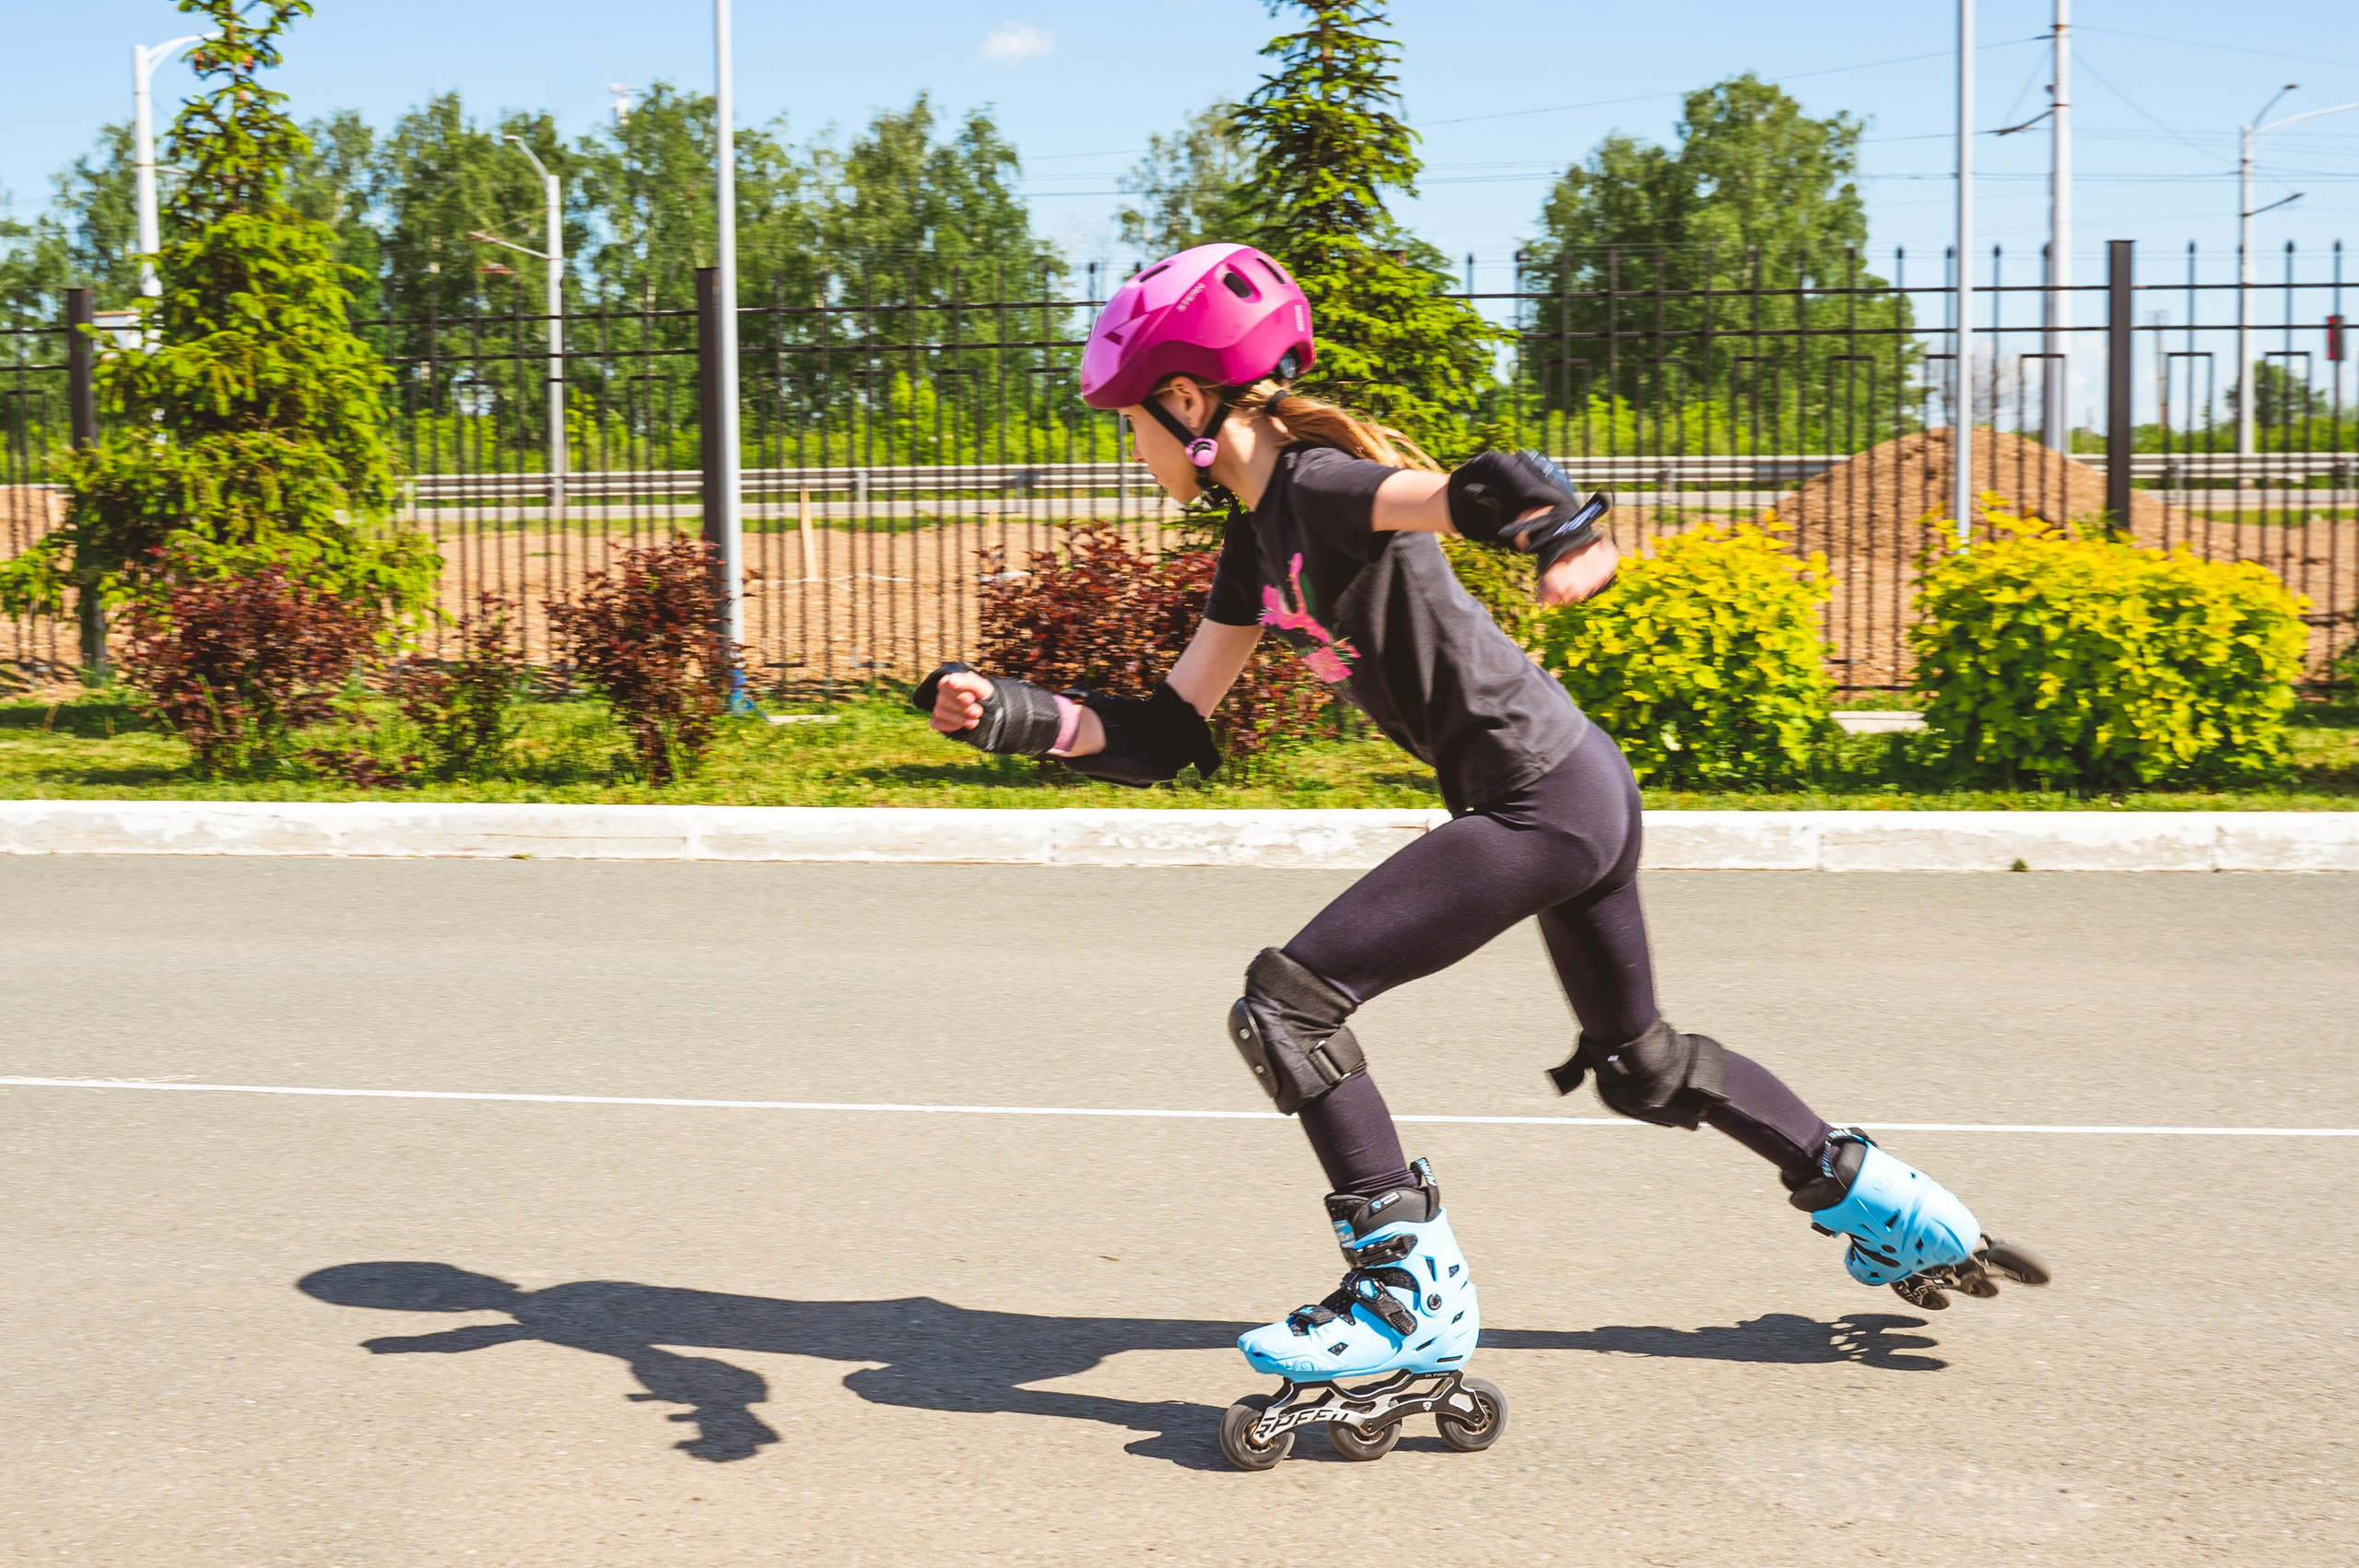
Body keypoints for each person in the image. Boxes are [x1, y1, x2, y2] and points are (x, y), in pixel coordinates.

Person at [912, 242, 2048, 1469]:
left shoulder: (1324, 486)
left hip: (1538, 803)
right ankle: (1881, 1198)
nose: (1124, 444)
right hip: (1573, 789)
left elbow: (1462, 493)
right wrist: (1015, 713)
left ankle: (1404, 1292)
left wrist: (1557, 525)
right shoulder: (1256, 540)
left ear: (1188, 404)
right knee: (1642, 1065)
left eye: (1128, 417)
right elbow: (1167, 728)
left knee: (1287, 1006)